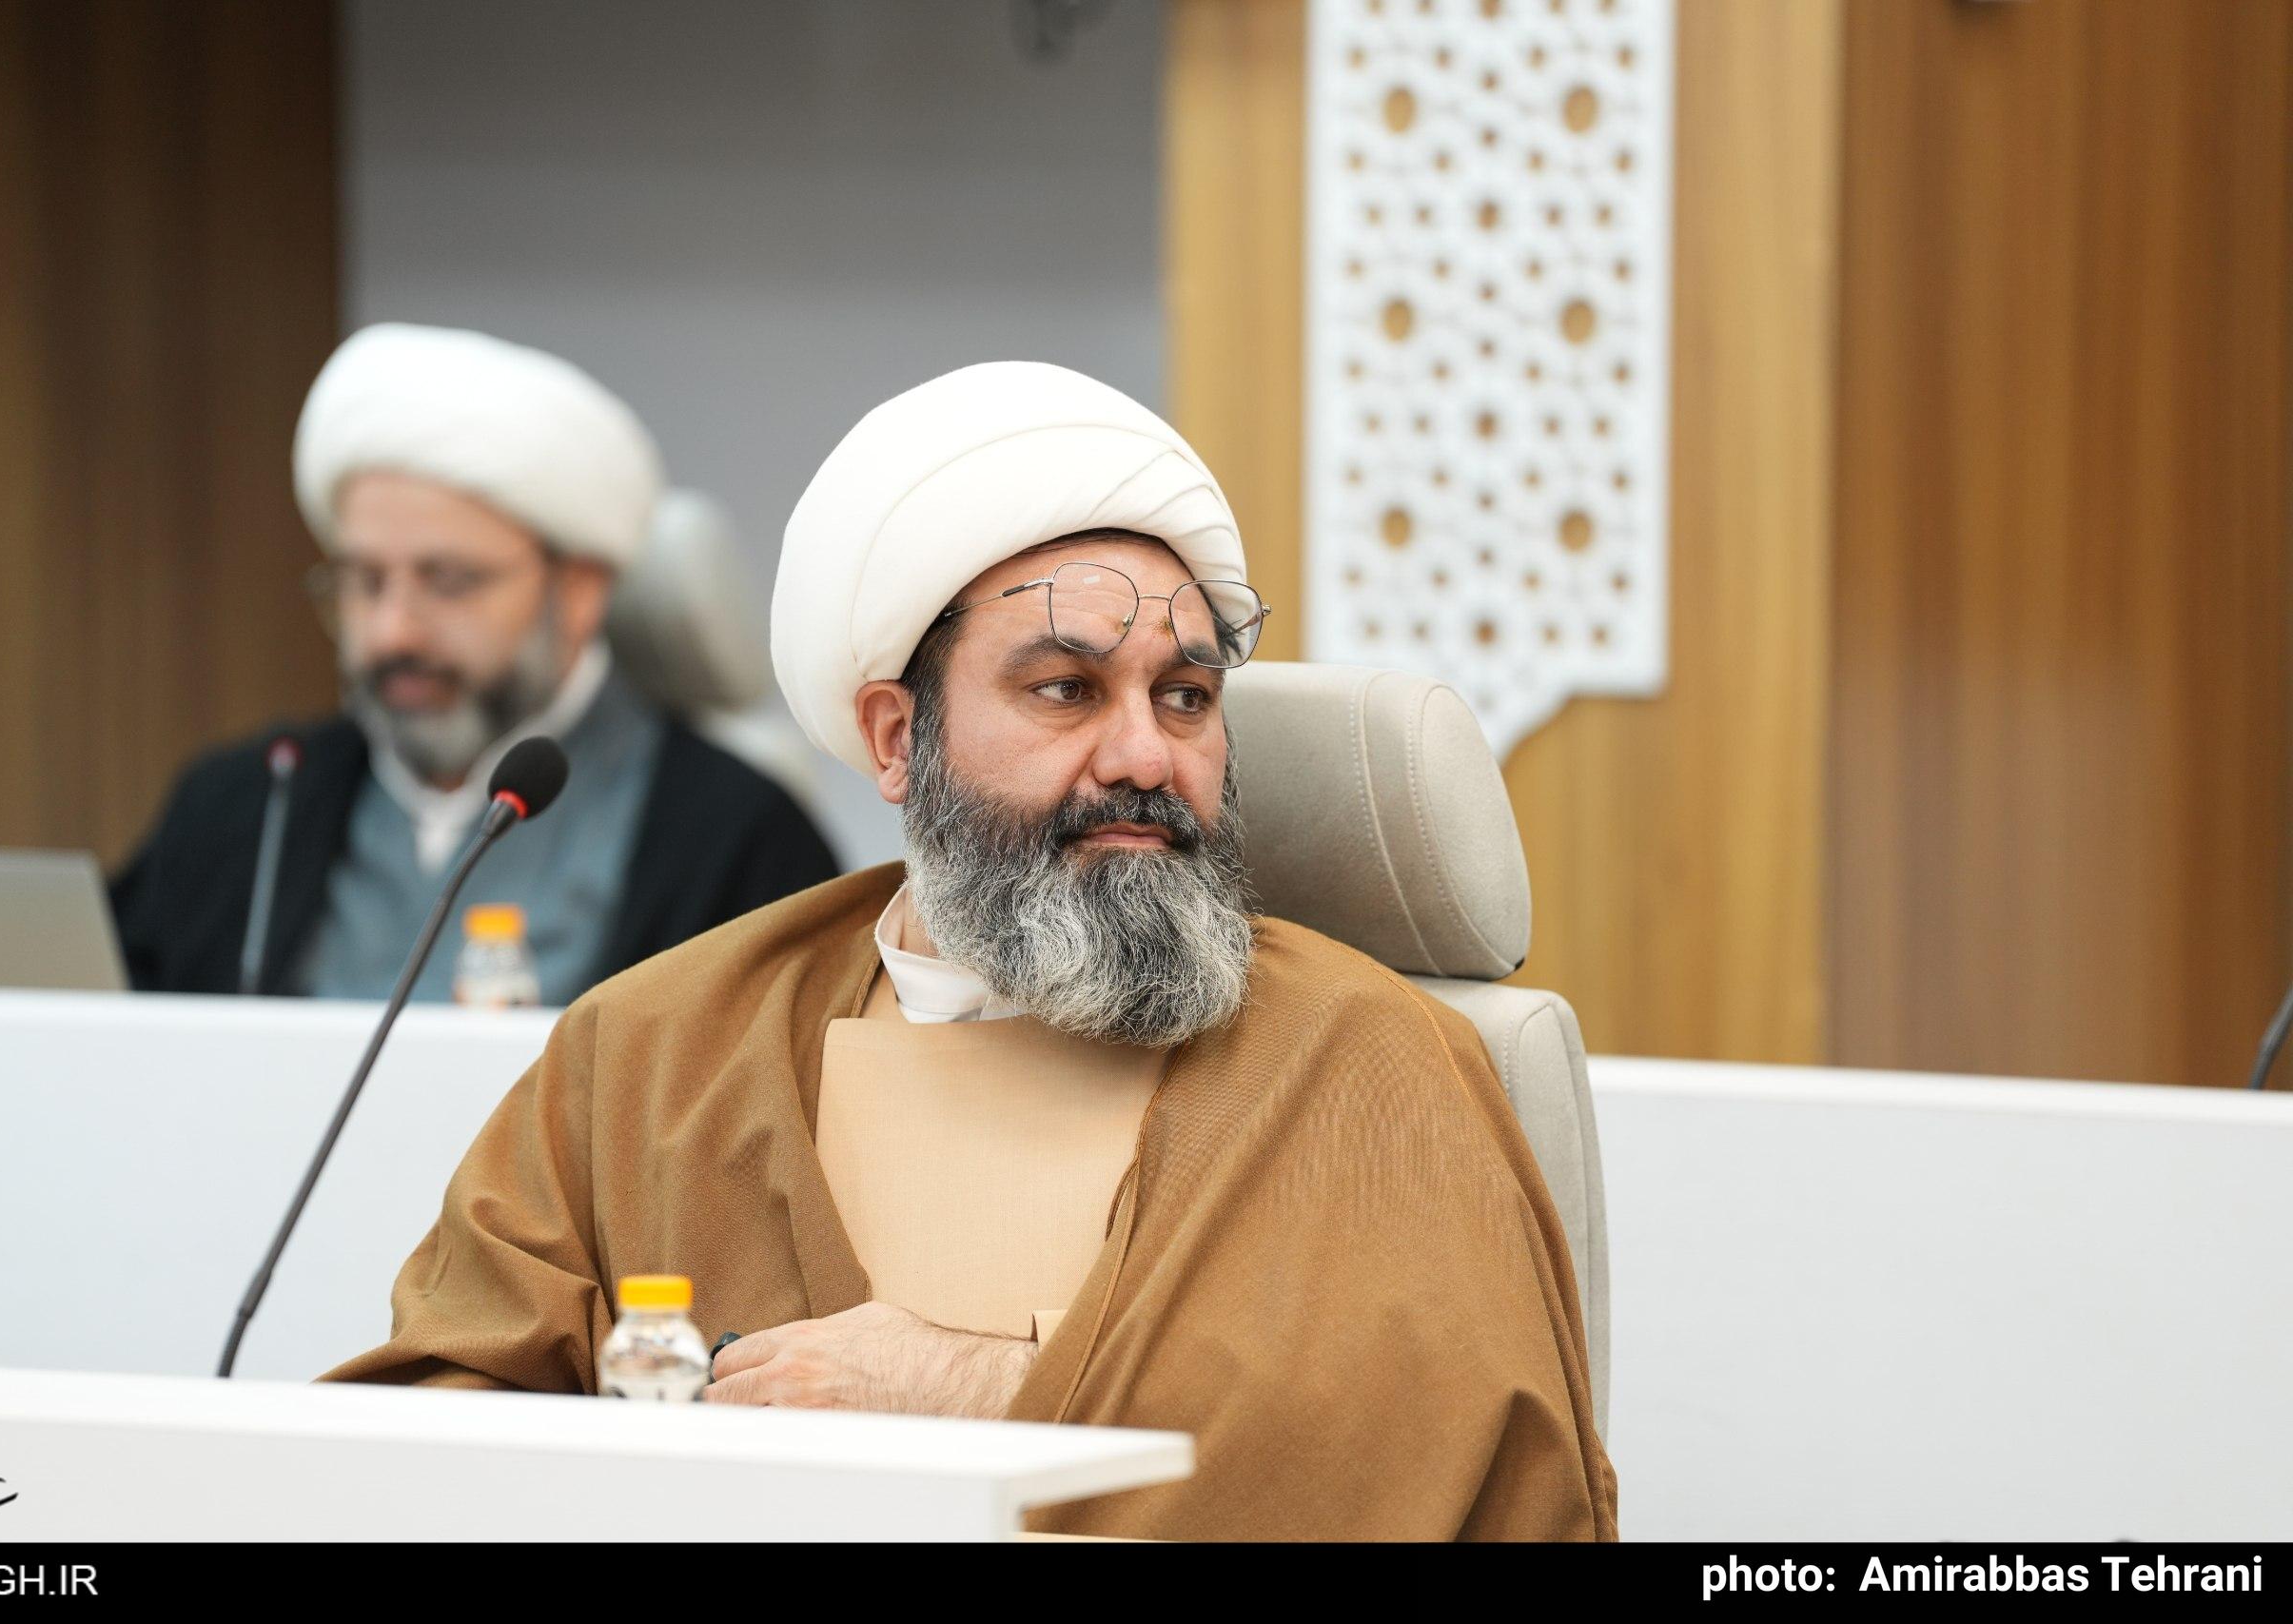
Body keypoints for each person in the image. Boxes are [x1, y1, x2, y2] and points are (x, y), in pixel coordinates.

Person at [324, 362, 1617, 1540]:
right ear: (899, 738)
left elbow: (1434, 1453)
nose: (1145, 754)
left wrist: (977, 1390)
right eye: (1066, 689)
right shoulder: (655, 1052)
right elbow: (431, 1430)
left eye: (1185, 696)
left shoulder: (1367, 1057)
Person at [110, 323, 837, 1005]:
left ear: (578, 592)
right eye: (365, 581)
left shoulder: (737, 835)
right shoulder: (248, 805)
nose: (393, 631)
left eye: (449, 581)